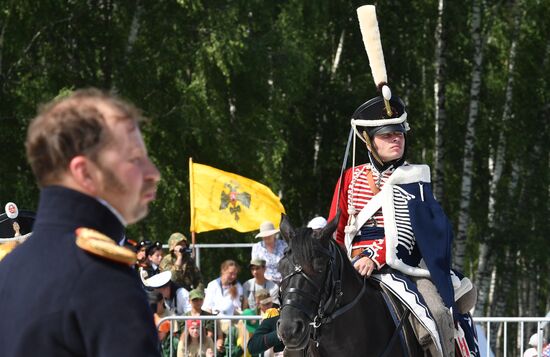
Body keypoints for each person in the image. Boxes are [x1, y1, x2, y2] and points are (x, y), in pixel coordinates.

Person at [0, 88, 161, 356]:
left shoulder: (9, 272)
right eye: (134, 159)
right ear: (85, 172)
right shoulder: (101, 279)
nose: (152, 173)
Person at [328, 84, 476, 357]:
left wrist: (374, 257)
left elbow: (411, 231)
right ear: (368, 139)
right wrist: (338, 265)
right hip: (350, 264)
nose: (396, 139)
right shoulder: (350, 177)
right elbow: (335, 230)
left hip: (403, 266)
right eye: (386, 135)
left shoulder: (415, 177)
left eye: (399, 133)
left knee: (438, 312)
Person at [184, 288, 225, 355]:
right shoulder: (183, 317)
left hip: (204, 344)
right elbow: (183, 335)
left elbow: (210, 334)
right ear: (189, 301)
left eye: (200, 299)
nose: (198, 302)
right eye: (195, 300)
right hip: (188, 345)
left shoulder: (208, 316)